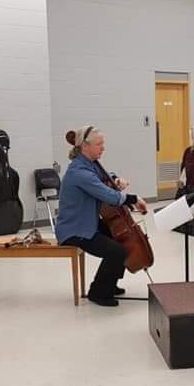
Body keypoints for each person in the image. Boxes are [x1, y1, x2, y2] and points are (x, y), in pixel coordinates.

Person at [55, 126, 148, 307]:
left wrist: (116, 178)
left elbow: (103, 177)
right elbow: (108, 195)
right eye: (99, 144)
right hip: (75, 229)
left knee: (121, 241)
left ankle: (110, 282)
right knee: (117, 250)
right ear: (85, 146)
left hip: (88, 222)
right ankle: (98, 292)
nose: (103, 147)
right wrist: (134, 199)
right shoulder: (78, 172)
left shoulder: (88, 164)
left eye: (102, 144)